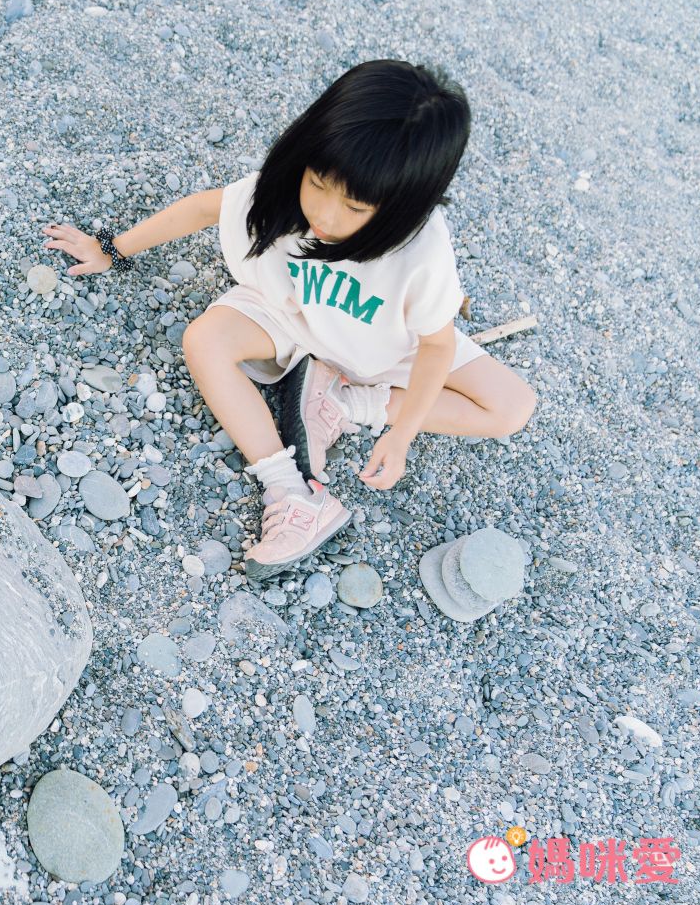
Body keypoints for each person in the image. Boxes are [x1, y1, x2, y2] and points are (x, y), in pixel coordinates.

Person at [39, 59, 536, 581]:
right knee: (203, 339)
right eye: (319, 182)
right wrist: (111, 250)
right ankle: (291, 492)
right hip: (291, 317)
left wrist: (400, 430)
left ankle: (343, 403)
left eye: (355, 206)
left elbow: (435, 347)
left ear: (403, 208)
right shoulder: (282, 189)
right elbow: (205, 209)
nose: (325, 214)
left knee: (512, 408)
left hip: (385, 348)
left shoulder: (421, 252)